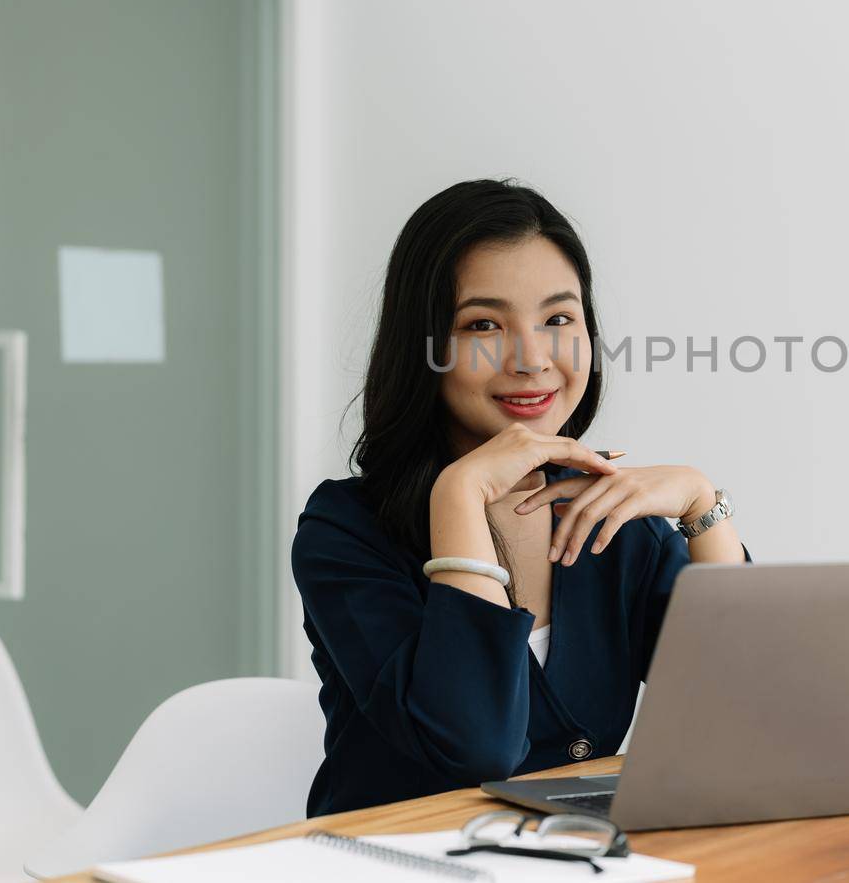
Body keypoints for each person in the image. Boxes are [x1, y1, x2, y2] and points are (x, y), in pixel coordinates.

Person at [292, 178, 749, 816]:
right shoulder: (344, 530)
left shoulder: (612, 521)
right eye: (483, 324)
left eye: (558, 319)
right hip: (401, 863)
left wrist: (703, 507)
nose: (532, 358)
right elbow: (475, 747)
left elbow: (749, 713)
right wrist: (460, 493)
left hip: (577, 859)